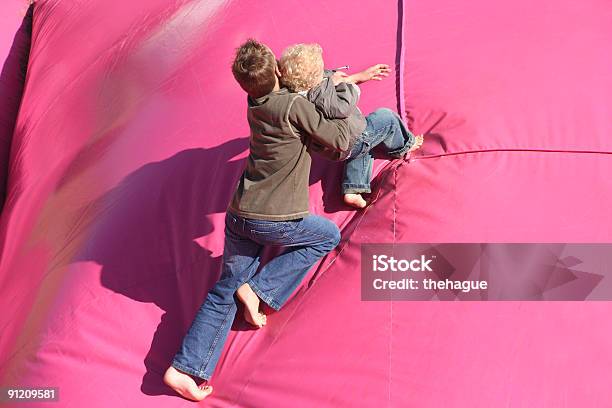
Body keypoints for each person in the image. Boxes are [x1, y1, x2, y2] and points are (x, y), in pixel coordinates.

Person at [163, 39, 353, 401]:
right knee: (325, 235)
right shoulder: (294, 105)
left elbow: (271, 91)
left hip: (240, 214)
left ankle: (182, 368)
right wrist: (344, 91)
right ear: (280, 71)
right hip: (275, 218)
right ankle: (260, 289)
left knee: (222, 292)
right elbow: (340, 141)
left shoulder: (254, 103)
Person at [278, 43, 424, 209]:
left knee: (364, 148)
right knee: (386, 118)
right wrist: (349, 86)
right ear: (315, 79)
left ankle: (353, 189)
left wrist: (342, 78)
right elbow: (342, 106)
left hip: (330, 148)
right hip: (351, 137)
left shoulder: (294, 96)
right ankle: (404, 145)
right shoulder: (322, 97)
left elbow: (321, 82)